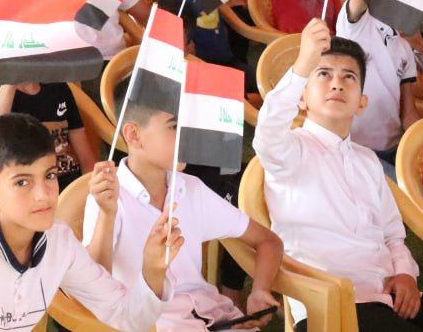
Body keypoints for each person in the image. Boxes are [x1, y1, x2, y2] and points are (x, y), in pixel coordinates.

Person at [254, 18, 423, 332]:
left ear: (362, 102)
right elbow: (268, 129)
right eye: (324, 74)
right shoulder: (289, 151)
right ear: (301, 98)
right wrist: (304, 64)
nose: (336, 83)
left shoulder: (367, 160)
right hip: (331, 307)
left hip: (389, 294)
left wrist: (405, 274)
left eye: (349, 77)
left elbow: (392, 234)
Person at [0, 113, 175, 330]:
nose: (44, 195)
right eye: (22, 182)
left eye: (49, 176)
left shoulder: (60, 243)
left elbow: (125, 315)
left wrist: (153, 270)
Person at [84, 74, 283, 329]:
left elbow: (268, 240)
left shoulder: (191, 189)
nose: (188, 137)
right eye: (175, 126)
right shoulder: (109, 200)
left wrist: (259, 290)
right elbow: (94, 284)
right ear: (134, 135)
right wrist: (106, 214)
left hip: (216, 317)